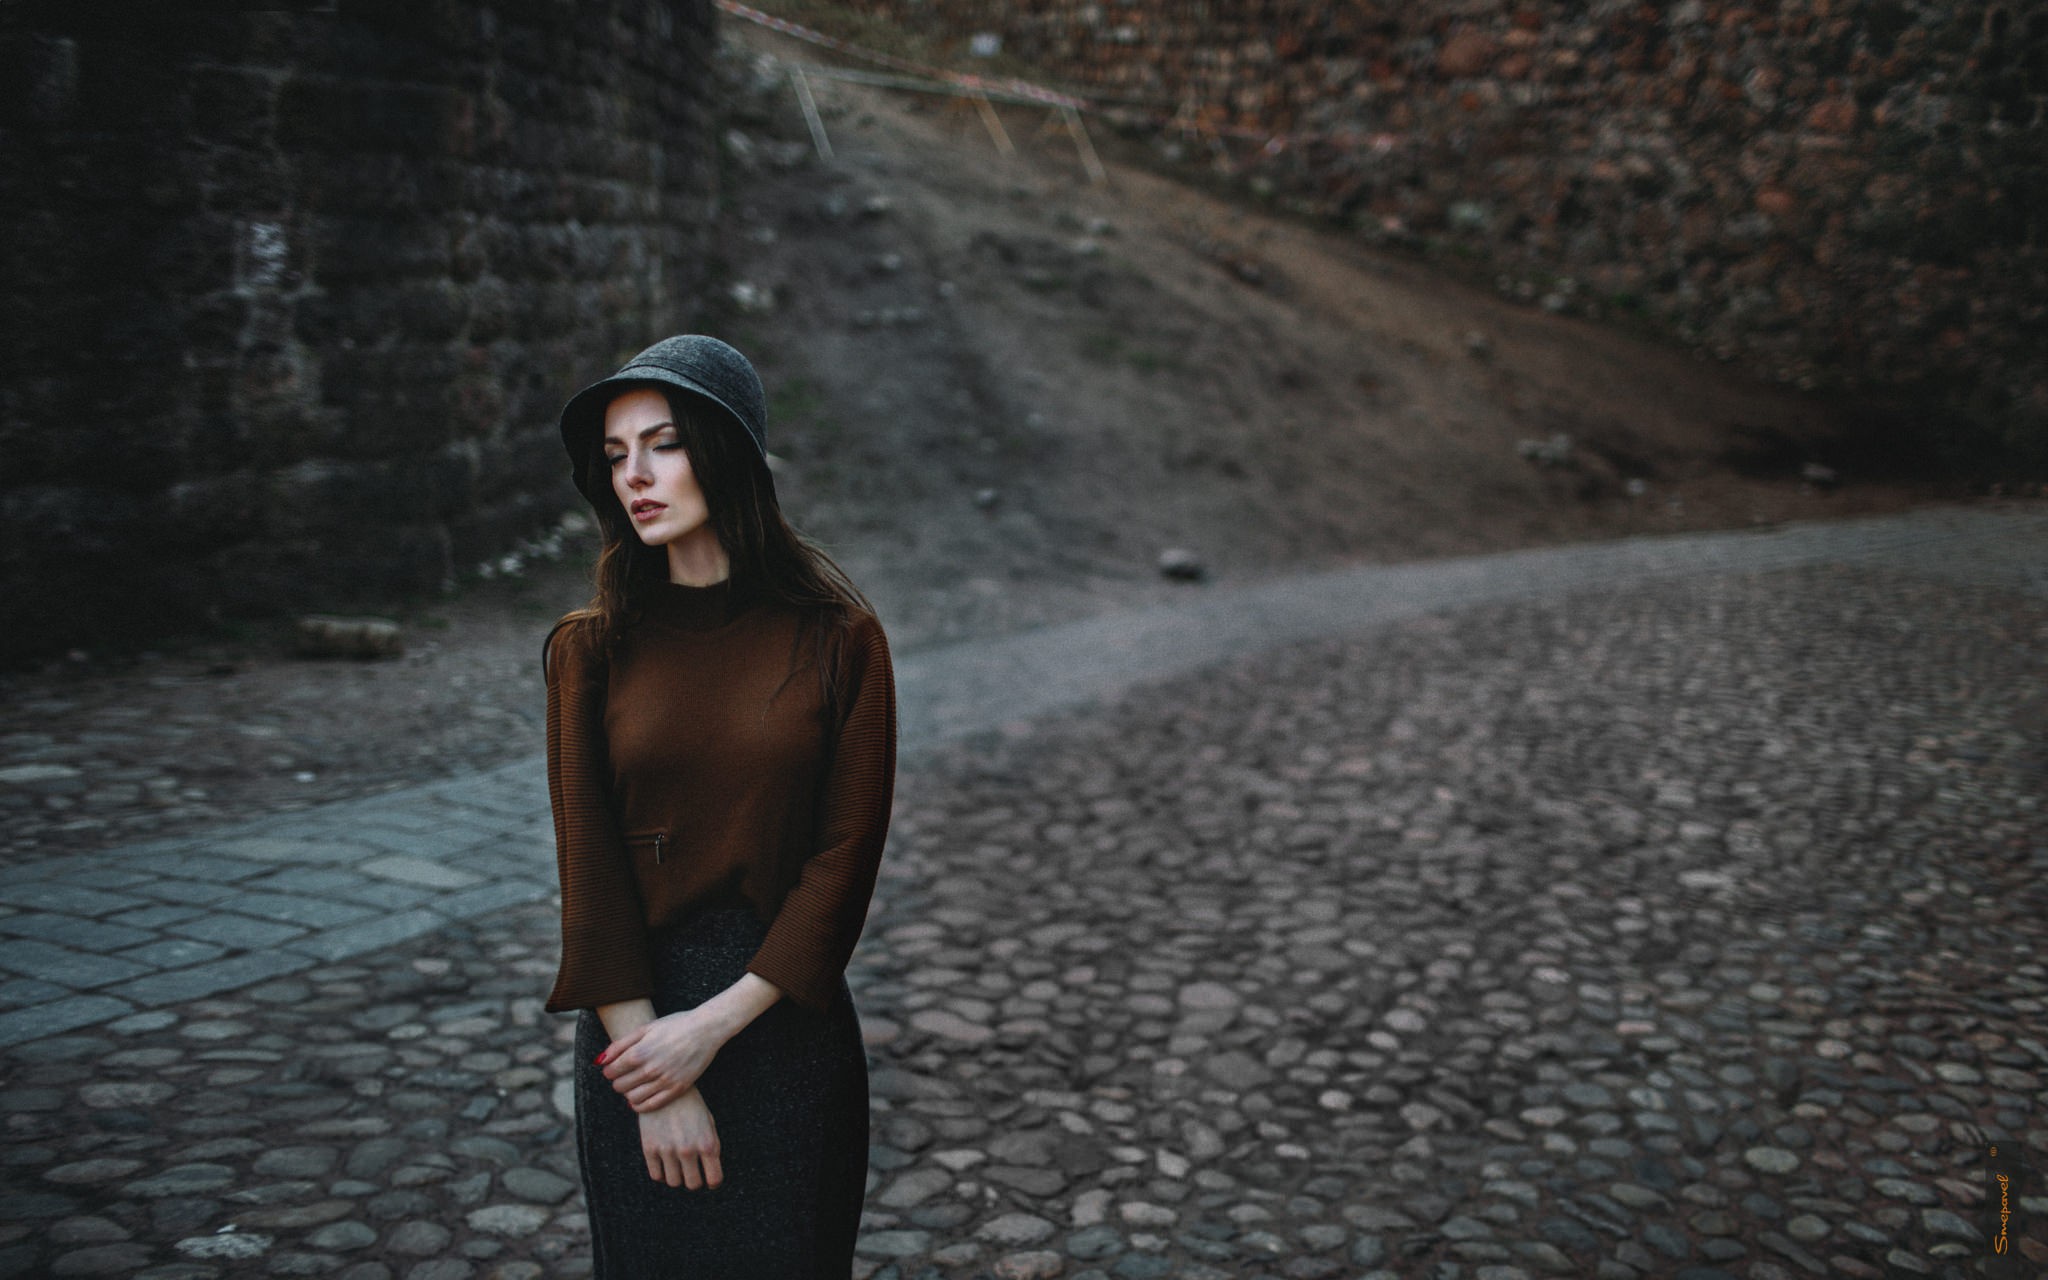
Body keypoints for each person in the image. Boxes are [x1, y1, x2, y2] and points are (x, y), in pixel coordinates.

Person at [540, 335, 896, 1277]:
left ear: (727, 450)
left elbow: (844, 858)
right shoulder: (589, 648)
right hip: (636, 1033)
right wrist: (655, 1080)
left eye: (663, 444)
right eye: (616, 456)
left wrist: (714, 1026)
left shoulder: (839, 640)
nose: (635, 477)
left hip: (781, 1025)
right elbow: (591, 868)